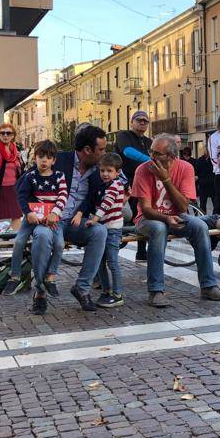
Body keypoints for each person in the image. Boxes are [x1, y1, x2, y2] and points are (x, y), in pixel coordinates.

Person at [131, 134, 220, 307]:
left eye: (156, 153)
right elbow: (146, 209)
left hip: (177, 216)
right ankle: (156, 290)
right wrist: (167, 218)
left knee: (199, 225)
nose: (151, 156)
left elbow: (183, 207)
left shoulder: (185, 168)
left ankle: (208, 285)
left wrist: (166, 180)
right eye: (150, 151)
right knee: (159, 228)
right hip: (147, 219)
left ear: (171, 156)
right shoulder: (143, 169)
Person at [2, 140, 68, 314]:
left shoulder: (59, 176)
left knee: (60, 244)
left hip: (52, 219)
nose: (44, 161)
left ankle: (51, 276)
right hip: (31, 217)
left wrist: (55, 212)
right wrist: (27, 212)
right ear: (35, 158)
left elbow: (63, 196)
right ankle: (15, 275)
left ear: (54, 160)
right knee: (19, 241)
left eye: (48, 158)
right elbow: (22, 196)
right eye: (40, 157)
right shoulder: (30, 176)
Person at [53, 125, 111, 311]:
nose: (104, 153)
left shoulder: (99, 170)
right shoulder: (59, 160)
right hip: (51, 220)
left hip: (76, 222)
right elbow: (25, 182)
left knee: (99, 232)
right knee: (45, 238)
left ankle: (82, 288)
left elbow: (120, 178)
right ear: (87, 150)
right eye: (101, 149)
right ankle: (40, 292)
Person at [87, 152, 128, 309]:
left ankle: (117, 294)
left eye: (109, 171)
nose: (105, 174)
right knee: (100, 263)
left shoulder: (115, 185)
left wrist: (95, 219)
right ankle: (106, 291)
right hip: (104, 229)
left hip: (112, 230)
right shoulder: (107, 185)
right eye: (102, 170)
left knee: (112, 261)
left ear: (117, 173)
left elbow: (107, 203)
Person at [117, 110, 153, 262]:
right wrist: (150, 160)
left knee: (142, 214)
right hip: (125, 180)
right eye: (139, 120)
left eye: (145, 121)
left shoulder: (149, 141)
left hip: (143, 181)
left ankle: (141, 251)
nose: (143, 122)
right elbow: (128, 152)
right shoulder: (123, 135)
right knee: (126, 216)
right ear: (132, 122)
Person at [193, 147, 216, 213]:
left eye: (208, 150)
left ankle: (214, 216)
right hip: (203, 184)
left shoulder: (213, 160)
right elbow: (196, 172)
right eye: (206, 150)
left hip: (213, 184)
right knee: (203, 203)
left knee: (215, 202)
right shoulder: (199, 160)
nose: (207, 152)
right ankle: (203, 216)